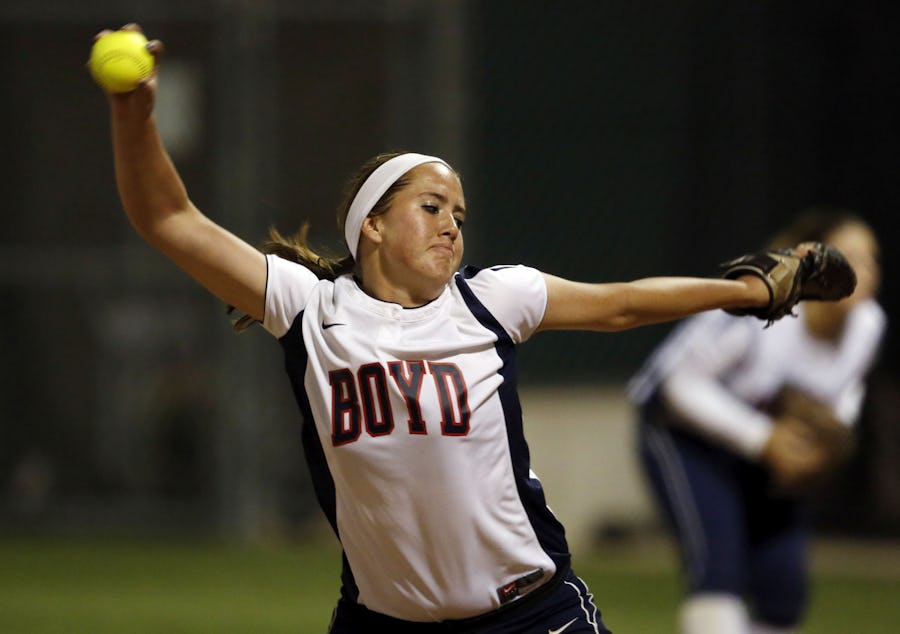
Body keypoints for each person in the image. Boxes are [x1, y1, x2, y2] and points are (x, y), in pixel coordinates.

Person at [93, 24, 852, 634]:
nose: (452, 224)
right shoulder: (310, 308)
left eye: (459, 213)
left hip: (530, 616)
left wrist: (749, 290)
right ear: (373, 225)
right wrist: (134, 112)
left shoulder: (492, 299)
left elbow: (622, 303)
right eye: (430, 207)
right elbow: (168, 218)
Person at [627, 208, 886, 634]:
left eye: (872, 259)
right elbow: (677, 385)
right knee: (720, 571)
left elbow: (846, 392)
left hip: (766, 445)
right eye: (850, 257)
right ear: (813, 260)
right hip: (683, 433)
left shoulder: (868, 324)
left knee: (784, 588)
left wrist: (827, 438)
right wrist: (764, 439)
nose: (866, 270)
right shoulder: (765, 307)